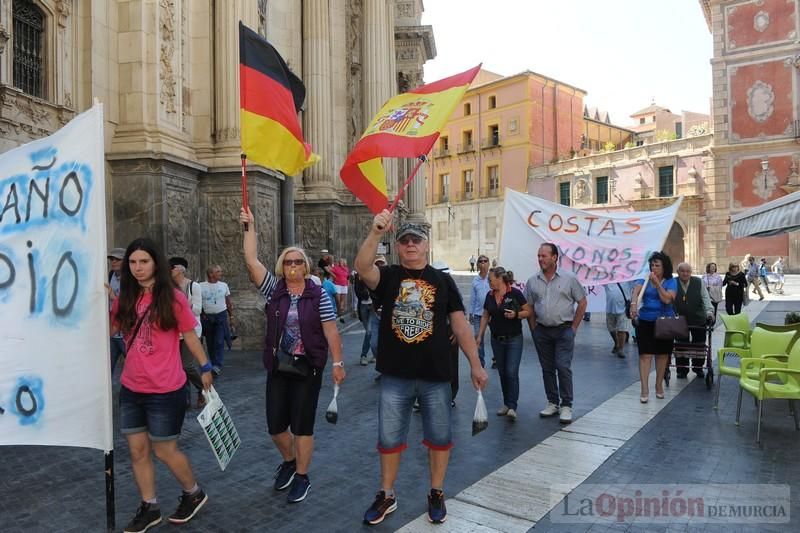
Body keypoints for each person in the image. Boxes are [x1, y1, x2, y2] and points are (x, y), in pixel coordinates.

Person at [354, 212, 488, 526]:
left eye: (416, 240)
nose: (411, 244)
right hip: (395, 375)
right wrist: (375, 233)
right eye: (405, 240)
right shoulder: (389, 277)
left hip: (435, 375)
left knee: (439, 437)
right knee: (389, 439)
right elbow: (362, 268)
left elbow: (460, 324)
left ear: (426, 245)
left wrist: (476, 365)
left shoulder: (442, 281)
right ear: (399, 247)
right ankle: (386, 493)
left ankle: (436, 492)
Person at [240, 207, 346, 504]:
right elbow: (251, 260)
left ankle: (302, 475)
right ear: (281, 266)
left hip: (308, 367)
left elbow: (331, 331)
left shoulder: (319, 295)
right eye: (288, 262)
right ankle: (289, 461)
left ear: (307, 266)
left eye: (298, 261)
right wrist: (249, 227)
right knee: (275, 426)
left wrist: (337, 363)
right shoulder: (275, 290)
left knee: (302, 426)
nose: (293, 265)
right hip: (278, 365)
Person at [110, 238, 213, 533]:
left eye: (144, 261)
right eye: (133, 262)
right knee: (137, 452)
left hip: (166, 389)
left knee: (165, 451)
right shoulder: (125, 297)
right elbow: (110, 329)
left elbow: (190, 336)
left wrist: (205, 367)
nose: (138, 268)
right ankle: (150, 506)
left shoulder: (173, 298)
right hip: (131, 387)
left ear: (155, 262)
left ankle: (193, 493)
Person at [524, 243, 587, 425]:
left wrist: (574, 327)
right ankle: (553, 402)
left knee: (562, 366)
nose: (540, 259)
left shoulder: (569, 278)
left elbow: (582, 302)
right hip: (542, 331)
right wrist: (533, 328)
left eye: (544, 256)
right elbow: (529, 306)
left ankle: (567, 404)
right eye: (538, 256)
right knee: (547, 368)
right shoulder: (532, 281)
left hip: (563, 330)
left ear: (554, 258)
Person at [476, 267, 531, 420]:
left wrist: (516, 315)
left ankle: (513, 406)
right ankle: (506, 403)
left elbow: (528, 311)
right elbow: (485, 316)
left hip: (514, 338)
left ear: (500, 278)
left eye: (491, 279)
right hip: (496, 339)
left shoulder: (514, 293)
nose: (489, 282)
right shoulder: (489, 295)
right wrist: (479, 335)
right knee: (502, 372)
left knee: (511, 371)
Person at [630, 251, 677, 403]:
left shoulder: (671, 281)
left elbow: (667, 300)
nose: (654, 268)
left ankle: (658, 385)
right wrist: (633, 303)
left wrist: (657, 285)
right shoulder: (644, 278)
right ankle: (644, 388)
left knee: (662, 355)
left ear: (664, 267)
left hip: (664, 321)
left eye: (657, 265)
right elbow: (636, 292)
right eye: (652, 265)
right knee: (645, 355)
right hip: (645, 320)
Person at [169, 257, 206, 409]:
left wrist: (183, 306)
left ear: (180, 269)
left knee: (187, 366)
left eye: (172, 267)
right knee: (178, 367)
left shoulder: (193, 286)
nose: (169, 270)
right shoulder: (169, 287)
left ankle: (202, 389)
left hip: (191, 331)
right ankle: (185, 399)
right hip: (174, 332)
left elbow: (197, 309)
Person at [674, 263, 715, 378]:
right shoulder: (673, 282)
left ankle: (698, 368)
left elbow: (705, 298)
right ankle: (682, 370)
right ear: (678, 272)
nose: (685, 273)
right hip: (680, 320)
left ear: (691, 272)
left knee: (699, 345)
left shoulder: (698, 282)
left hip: (698, 318)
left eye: (688, 271)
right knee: (680, 345)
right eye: (682, 271)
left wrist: (709, 311)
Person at [432, 260, 462, 407]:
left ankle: (450, 395)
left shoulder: (452, 290)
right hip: (431, 332)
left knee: (451, 363)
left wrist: (456, 333)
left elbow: (459, 313)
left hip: (448, 330)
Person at [199, 264, 233, 375]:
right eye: (218, 271)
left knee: (219, 341)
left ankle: (217, 365)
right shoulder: (200, 286)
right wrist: (202, 314)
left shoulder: (224, 285)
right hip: (207, 317)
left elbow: (228, 302)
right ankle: (213, 362)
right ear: (211, 274)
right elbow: (197, 302)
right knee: (210, 342)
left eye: (220, 271)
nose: (220, 273)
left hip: (221, 316)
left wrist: (231, 316)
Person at [468, 254, 491, 368]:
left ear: (488, 263)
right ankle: (481, 364)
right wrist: (470, 313)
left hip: (492, 314)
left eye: (485, 261)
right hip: (478, 314)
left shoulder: (492, 277)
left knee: (496, 337)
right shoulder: (475, 280)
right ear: (477, 264)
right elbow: (473, 298)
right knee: (478, 337)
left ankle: (497, 358)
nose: (483, 263)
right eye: (480, 261)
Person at [107, 247, 126, 374]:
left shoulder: (132, 278)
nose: (113, 262)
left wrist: (114, 297)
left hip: (126, 332)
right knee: (107, 368)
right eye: (112, 259)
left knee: (134, 364)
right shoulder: (110, 275)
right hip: (112, 330)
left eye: (117, 259)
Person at [604, 281, 633, 358]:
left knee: (622, 329)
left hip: (623, 309)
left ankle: (621, 349)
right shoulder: (607, 281)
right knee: (611, 329)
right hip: (610, 309)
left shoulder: (628, 281)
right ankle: (616, 343)